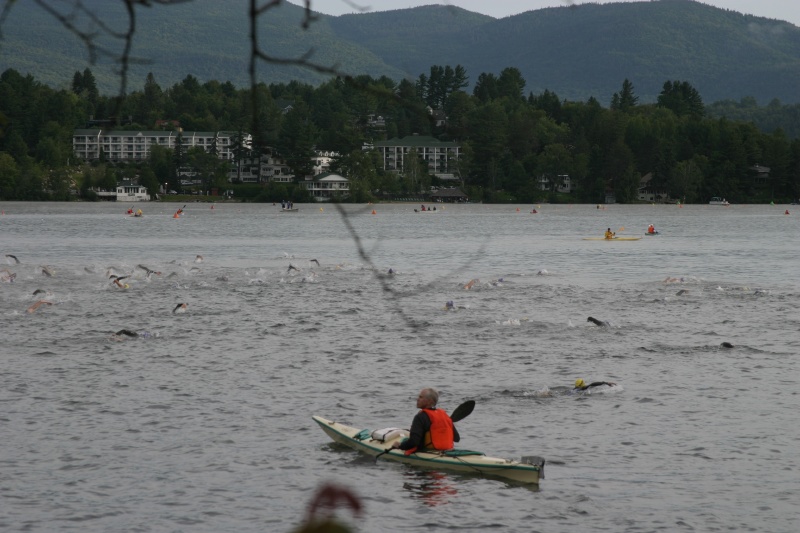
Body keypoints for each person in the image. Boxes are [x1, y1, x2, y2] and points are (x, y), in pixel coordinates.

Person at [391, 388, 459, 454]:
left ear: (430, 401)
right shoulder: (445, 415)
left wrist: (399, 446)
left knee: (405, 441)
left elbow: (414, 442)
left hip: (428, 452)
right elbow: (456, 438)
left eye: (421, 397)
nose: (417, 399)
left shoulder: (420, 417)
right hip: (447, 451)